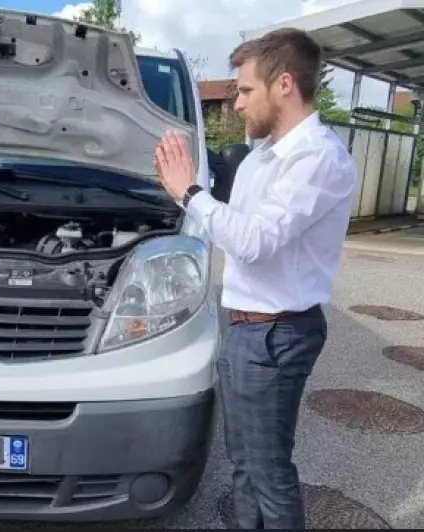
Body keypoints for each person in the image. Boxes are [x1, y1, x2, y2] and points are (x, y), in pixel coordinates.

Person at [153, 28, 357, 529]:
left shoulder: (317, 158)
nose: (238, 104)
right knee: (243, 465)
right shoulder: (265, 155)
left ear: (284, 84)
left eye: (244, 90)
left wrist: (190, 192)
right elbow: (234, 229)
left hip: (276, 334)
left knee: (268, 472)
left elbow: (254, 241)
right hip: (245, 327)